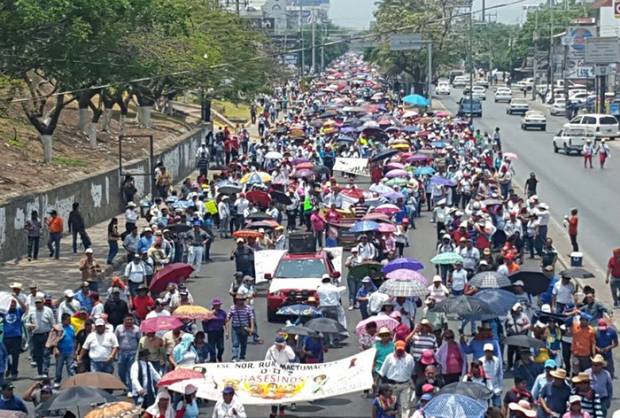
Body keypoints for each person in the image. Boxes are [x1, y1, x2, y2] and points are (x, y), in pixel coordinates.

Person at [378, 340, 414, 417]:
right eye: (398, 350)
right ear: (395, 349)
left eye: (402, 350)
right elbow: (382, 372)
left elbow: (411, 371)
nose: (400, 352)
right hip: (392, 386)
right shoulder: (389, 357)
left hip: (405, 385)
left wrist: (411, 383)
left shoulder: (409, 358)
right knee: (390, 406)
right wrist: (378, 386)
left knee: (405, 406)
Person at [265, 336, 295, 418]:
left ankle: (282, 410)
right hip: (274, 373)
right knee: (274, 392)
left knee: (283, 392)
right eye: (278, 345)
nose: (279, 346)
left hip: (284, 372)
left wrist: (285, 349)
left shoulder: (287, 348)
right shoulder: (271, 350)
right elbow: (266, 361)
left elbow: (292, 357)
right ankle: (273, 411)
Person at [25, 295, 55, 378]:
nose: (38, 304)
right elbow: (27, 323)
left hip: (46, 335)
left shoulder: (48, 310)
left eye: (39, 302)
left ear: (43, 302)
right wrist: (30, 326)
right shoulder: (32, 312)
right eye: (36, 303)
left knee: (46, 353)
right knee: (38, 355)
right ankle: (40, 372)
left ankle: (45, 371)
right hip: (35, 335)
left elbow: (52, 323)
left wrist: (53, 336)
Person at [116, 315, 141, 391]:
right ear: (124, 320)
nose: (129, 321)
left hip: (132, 353)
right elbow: (115, 339)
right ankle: (125, 385)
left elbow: (139, 341)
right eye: (128, 319)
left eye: (131, 319)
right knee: (121, 371)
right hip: (121, 353)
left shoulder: (136, 329)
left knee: (131, 371)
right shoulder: (119, 328)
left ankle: (130, 389)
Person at [226, 294, 254, 362]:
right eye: (238, 300)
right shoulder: (233, 308)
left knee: (243, 343)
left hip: (244, 328)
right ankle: (235, 357)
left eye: (241, 300)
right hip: (235, 328)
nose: (239, 301)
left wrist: (251, 329)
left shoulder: (248, 308)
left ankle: (242, 357)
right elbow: (227, 319)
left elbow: (251, 318)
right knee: (235, 343)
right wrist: (227, 331)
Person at [53, 313, 76, 388]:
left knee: (71, 367)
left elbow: (74, 338)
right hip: (60, 351)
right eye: (67, 319)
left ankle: (72, 381)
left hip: (70, 350)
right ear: (63, 320)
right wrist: (55, 348)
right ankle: (57, 381)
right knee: (59, 367)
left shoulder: (71, 327)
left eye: (69, 320)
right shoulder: (58, 328)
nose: (68, 321)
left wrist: (74, 349)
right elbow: (54, 339)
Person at [480, 342, 504, 407]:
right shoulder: (480, 361)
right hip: (485, 389)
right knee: (485, 408)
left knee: (497, 407)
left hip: (496, 388)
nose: (488, 353)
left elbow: (499, 374)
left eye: (490, 351)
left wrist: (501, 386)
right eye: (486, 351)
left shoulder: (497, 360)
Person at [203, 298, 226, 362]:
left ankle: (219, 356)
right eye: (216, 305)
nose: (217, 306)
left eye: (218, 305)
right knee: (212, 347)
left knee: (221, 347)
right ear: (213, 305)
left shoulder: (223, 313)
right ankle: (213, 359)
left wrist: (227, 332)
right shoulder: (209, 312)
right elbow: (204, 320)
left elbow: (225, 322)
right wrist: (210, 315)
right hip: (211, 331)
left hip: (220, 331)